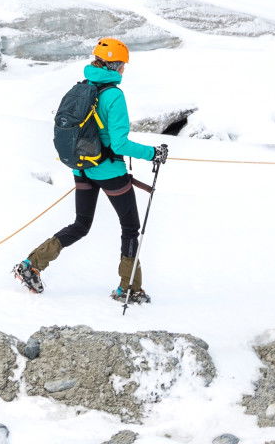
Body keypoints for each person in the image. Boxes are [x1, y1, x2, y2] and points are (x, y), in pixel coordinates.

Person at [14, 37, 168, 302]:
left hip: (81, 167)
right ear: (116, 65)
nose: (124, 69)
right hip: (109, 171)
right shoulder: (113, 95)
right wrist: (153, 153)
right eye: (123, 64)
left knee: (81, 224)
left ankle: (32, 264)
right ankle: (129, 288)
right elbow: (119, 144)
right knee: (130, 228)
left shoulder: (83, 87)